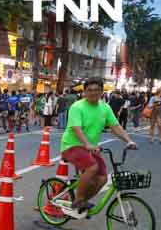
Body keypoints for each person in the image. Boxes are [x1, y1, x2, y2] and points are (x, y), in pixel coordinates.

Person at [59, 77, 137, 218]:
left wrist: (128, 141)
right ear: (84, 92)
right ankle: (78, 200)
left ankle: (83, 202)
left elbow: (116, 126)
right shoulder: (77, 107)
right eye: (89, 90)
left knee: (102, 178)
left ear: (102, 91)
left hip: (90, 148)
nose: (93, 93)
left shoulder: (105, 108)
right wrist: (87, 144)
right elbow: (77, 128)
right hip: (72, 145)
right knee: (92, 168)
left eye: (96, 90)